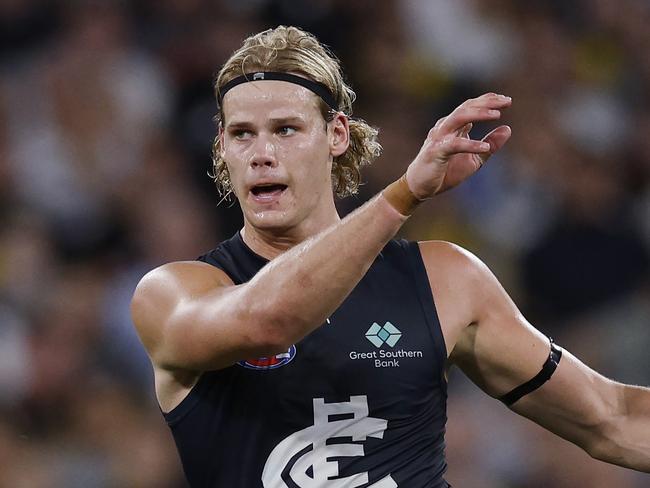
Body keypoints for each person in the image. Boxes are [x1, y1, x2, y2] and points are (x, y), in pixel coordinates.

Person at [130, 26, 650, 487]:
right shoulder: (173, 292)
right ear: (222, 147)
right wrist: (404, 194)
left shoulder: (445, 278)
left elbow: (611, 418)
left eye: (286, 130)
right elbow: (269, 320)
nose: (262, 153)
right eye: (242, 134)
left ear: (336, 135)